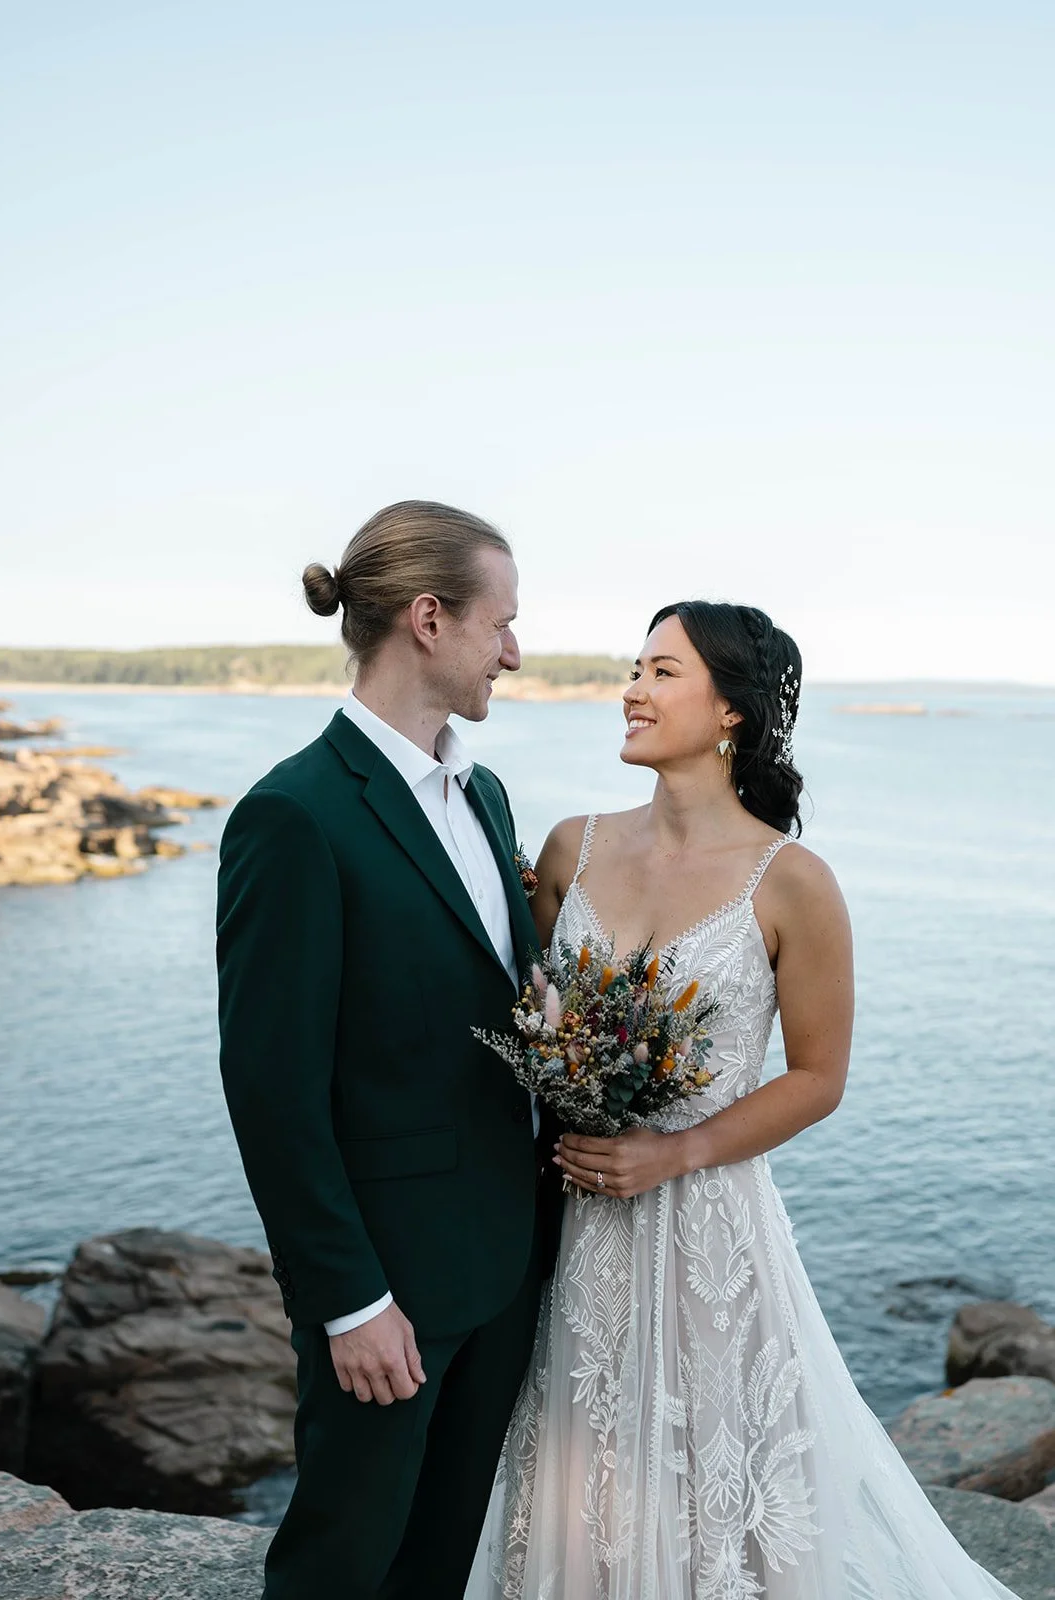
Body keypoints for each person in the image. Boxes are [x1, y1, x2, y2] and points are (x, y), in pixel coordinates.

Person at [466, 600, 1023, 1599]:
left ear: (731, 710)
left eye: (660, 672)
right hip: (576, 1227)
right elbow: (527, 1019)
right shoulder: (568, 850)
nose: (630, 689)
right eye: (633, 668)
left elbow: (817, 1077)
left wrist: (671, 1152)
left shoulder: (792, 881)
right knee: (574, 1480)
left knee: (719, 1488)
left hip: (707, 1236)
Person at [217, 501, 551, 1600]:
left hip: (501, 1270)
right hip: (389, 1292)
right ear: (427, 618)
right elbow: (271, 1089)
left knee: (437, 1564)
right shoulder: (295, 816)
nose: (514, 648)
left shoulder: (485, 797)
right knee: (338, 1567)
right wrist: (348, 1299)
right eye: (500, 623)